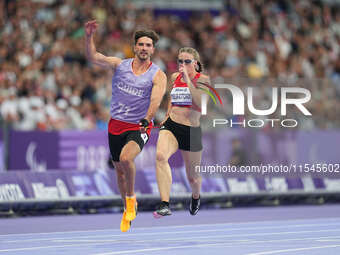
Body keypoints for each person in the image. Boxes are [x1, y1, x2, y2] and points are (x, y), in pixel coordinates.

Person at [85, 20, 166, 231]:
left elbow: (155, 101)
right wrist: (89, 36)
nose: (144, 48)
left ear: (153, 49)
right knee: (119, 172)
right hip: (115, 125)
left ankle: (131, 199)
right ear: (135, 47)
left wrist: (147, 119)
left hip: (139, 126)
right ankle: (127, 207)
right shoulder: (119, 65)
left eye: (149, 45)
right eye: (141, 44)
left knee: (125, 158)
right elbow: (93, 57)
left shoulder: (158, 74)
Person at [154, 47, 210, 217]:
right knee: (160, 156)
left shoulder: (203, 79)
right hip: (172, 126)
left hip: (191, 131)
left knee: (192, 177)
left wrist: (187, 79)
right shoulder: (174, 77)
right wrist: (167, 114)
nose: (183, 64)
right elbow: (172, 96)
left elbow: (201, 102)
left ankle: (196, 196)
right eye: (180, 61)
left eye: (187, 61)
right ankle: (164, 204)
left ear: (195, 63)